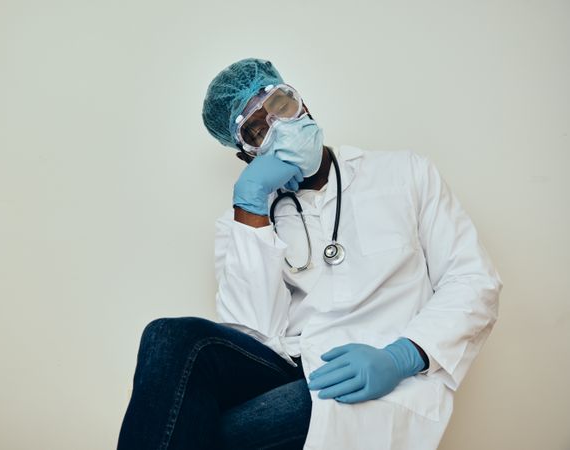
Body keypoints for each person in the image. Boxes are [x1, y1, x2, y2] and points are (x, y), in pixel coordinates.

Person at [117, 57, 503, 450]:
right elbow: (255, 334)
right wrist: (251, 210)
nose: (278, 124)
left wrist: (404, 355)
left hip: (384, 377)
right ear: (246, 154)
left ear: (302, 102)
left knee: (202, 432)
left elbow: (473, 281)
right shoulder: (246, 217)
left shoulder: (404, 174)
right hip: (290, 370)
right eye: (256, 128)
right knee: (169, 336)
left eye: (281, 105)